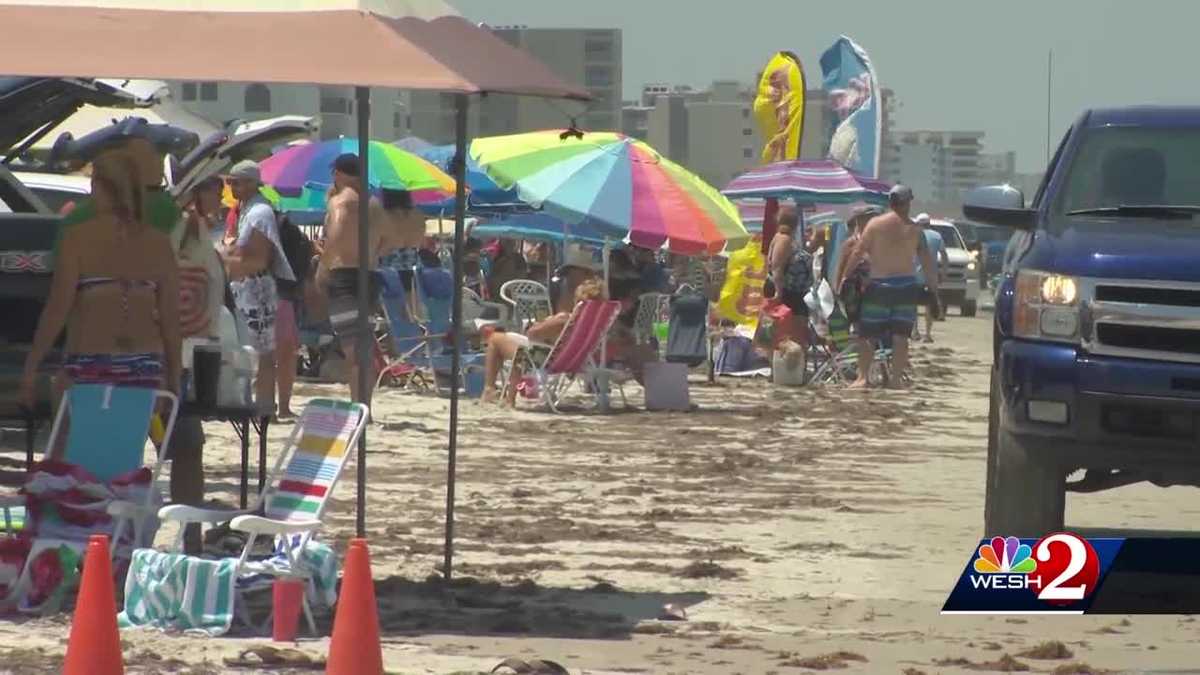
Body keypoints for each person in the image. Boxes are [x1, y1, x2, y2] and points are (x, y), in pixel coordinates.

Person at [20, 139, 182, 430]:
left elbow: (58, 309)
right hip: (143, 366)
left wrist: (31, 368)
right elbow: (170, 320)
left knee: (73, 464)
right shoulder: (158, 244)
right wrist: (174, 379)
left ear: (99, 185)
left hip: (88, 365)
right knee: (120, 462)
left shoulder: (78, 238)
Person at [169, 175, 226, 553]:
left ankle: (189, 535)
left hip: (185, 350)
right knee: (187, 447)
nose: (220, 196)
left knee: (186, 447)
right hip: (177, 354)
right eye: (214, 189)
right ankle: (190, 537)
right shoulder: (186, 224)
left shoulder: (195, 226)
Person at [842, 185, 939, 388]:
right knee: (900, 336)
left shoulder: (875, 225)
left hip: (879, 285)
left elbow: (858, 252)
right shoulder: (915, 230)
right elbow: (927, 261)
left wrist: (845, 277)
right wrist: (933, 289)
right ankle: (895, 380)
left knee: (868, 334)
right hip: (906, 286)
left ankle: (863, 378)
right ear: (907, 203)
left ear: (890, 202)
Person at [315, 153, 390, 407]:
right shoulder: (374, 204)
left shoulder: (341, 201)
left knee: (352, 350)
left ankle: (357, 407)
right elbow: (386, 243)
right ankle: (365, 407)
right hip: (369, 277)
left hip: (344, 276)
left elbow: (335, 235)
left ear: (338, 173)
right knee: (364, 347)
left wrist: (323, 268)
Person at [221, 160, 295, 414]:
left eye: (237, 182)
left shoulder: (259, 212)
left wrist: (226, 258)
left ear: (253, 182)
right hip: (248, 286)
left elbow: (259, 258)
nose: (232, 187)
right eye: (230, 182)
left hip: (258, 287)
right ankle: (261, 404)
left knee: (263, 353)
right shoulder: (245, 209)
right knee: (252, 351)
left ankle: (264, 406)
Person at [480, 279, 604, 406]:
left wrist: (543, 323)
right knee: (510, 342)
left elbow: (532, 334)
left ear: (577, 301)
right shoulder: (594, 323)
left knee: (495, 339)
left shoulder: (565, 319)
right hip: (571, 361)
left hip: (541, 359)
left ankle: (490, 389)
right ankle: (498, 392)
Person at [275, 214, 314, 420]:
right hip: (286, 297)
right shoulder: (295, 237)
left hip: (268, 293)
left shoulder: (263, 226)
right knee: (285, 356)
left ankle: (271, 406)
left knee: (266, 356)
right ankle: (283, 406)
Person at [764, 206, 814, 349]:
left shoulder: (780, 237)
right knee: (792, 330)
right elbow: (777, 267)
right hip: (786, 290)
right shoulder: (784, 239)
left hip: (788, 289)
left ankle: (790, 362)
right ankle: (791, 363)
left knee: (783, 330)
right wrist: (779, 293)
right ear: (796, 224)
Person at [913, 213, 949, 343]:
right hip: (930, 276)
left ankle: (915, 332)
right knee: (929, 305)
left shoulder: (914, 235)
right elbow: (944, 256)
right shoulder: (937, 236)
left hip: (914, 276)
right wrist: (944, 273)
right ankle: (927, 334)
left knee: (913, 306)